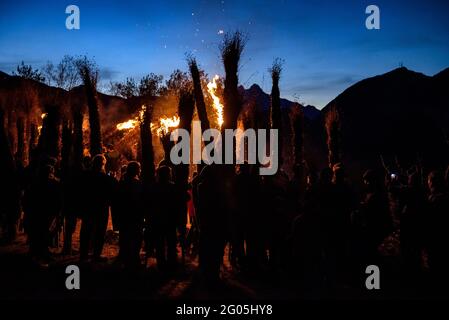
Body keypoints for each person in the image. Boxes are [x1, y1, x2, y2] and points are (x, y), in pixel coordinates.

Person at [79, 154, 117, 262]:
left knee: (86, 230)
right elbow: (113, 191)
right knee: (99, 232)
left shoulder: (85, 175)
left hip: (88, 207)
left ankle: (83, 254)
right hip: (101, 208)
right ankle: (96, 254)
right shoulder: (105, 178)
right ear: (103, 164)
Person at [23, 163, 62, 264]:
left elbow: (26, 198)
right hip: (45, 212)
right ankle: (40, 253)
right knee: (44, 233)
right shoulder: (52, 184)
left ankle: (37, 252)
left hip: (38, 212)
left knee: (39, 233)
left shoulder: (34, 183)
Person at [151, 165, 179, 271]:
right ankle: (171, 262)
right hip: (170, 218)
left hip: (158, 218)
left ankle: (161, 262)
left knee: (160, 242)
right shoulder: (172, 187)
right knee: (171, 241)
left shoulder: (154, 187)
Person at [116, 161, 144, 269]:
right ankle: (134, 258)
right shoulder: (137, 184)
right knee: (136, 237)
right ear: (136, 170)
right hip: (135, 215)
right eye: (139, 168)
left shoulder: (122, 183)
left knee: (125, 236)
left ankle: (125, 256)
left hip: (124, 214)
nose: (140, 170)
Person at [425, 170, 449, 289]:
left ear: (432, 182)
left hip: (436, 238)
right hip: (441, 237)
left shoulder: (435, 199)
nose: (427, 184)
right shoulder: (441, 197)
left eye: (428, 181)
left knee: (436, 263)